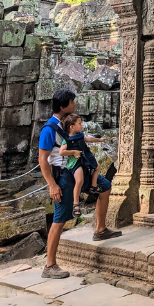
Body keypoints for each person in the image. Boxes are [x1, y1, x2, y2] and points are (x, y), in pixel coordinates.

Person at [39, 89, 121, 279]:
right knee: (59, 219)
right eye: (72, 102)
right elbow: (43, 159)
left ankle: (100, 229)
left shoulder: (70, 125)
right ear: (63, 106)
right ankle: (49, 265)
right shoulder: (49, 130)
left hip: (81, 170)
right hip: (65, 178)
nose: (74, 105)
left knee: (105, 187)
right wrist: (52, 185)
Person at [59, 113, 107, 217]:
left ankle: (93, 185)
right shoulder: (67, 139)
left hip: (85, 158)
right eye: (79, 123)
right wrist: (73, 152)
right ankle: (75, 203)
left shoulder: (80, 135)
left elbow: (88, 139)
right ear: (72, 127)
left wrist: (99, 140)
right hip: (76, 162)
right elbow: (61, 152)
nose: (82, 125)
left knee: (97, 167)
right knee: (79, 180)